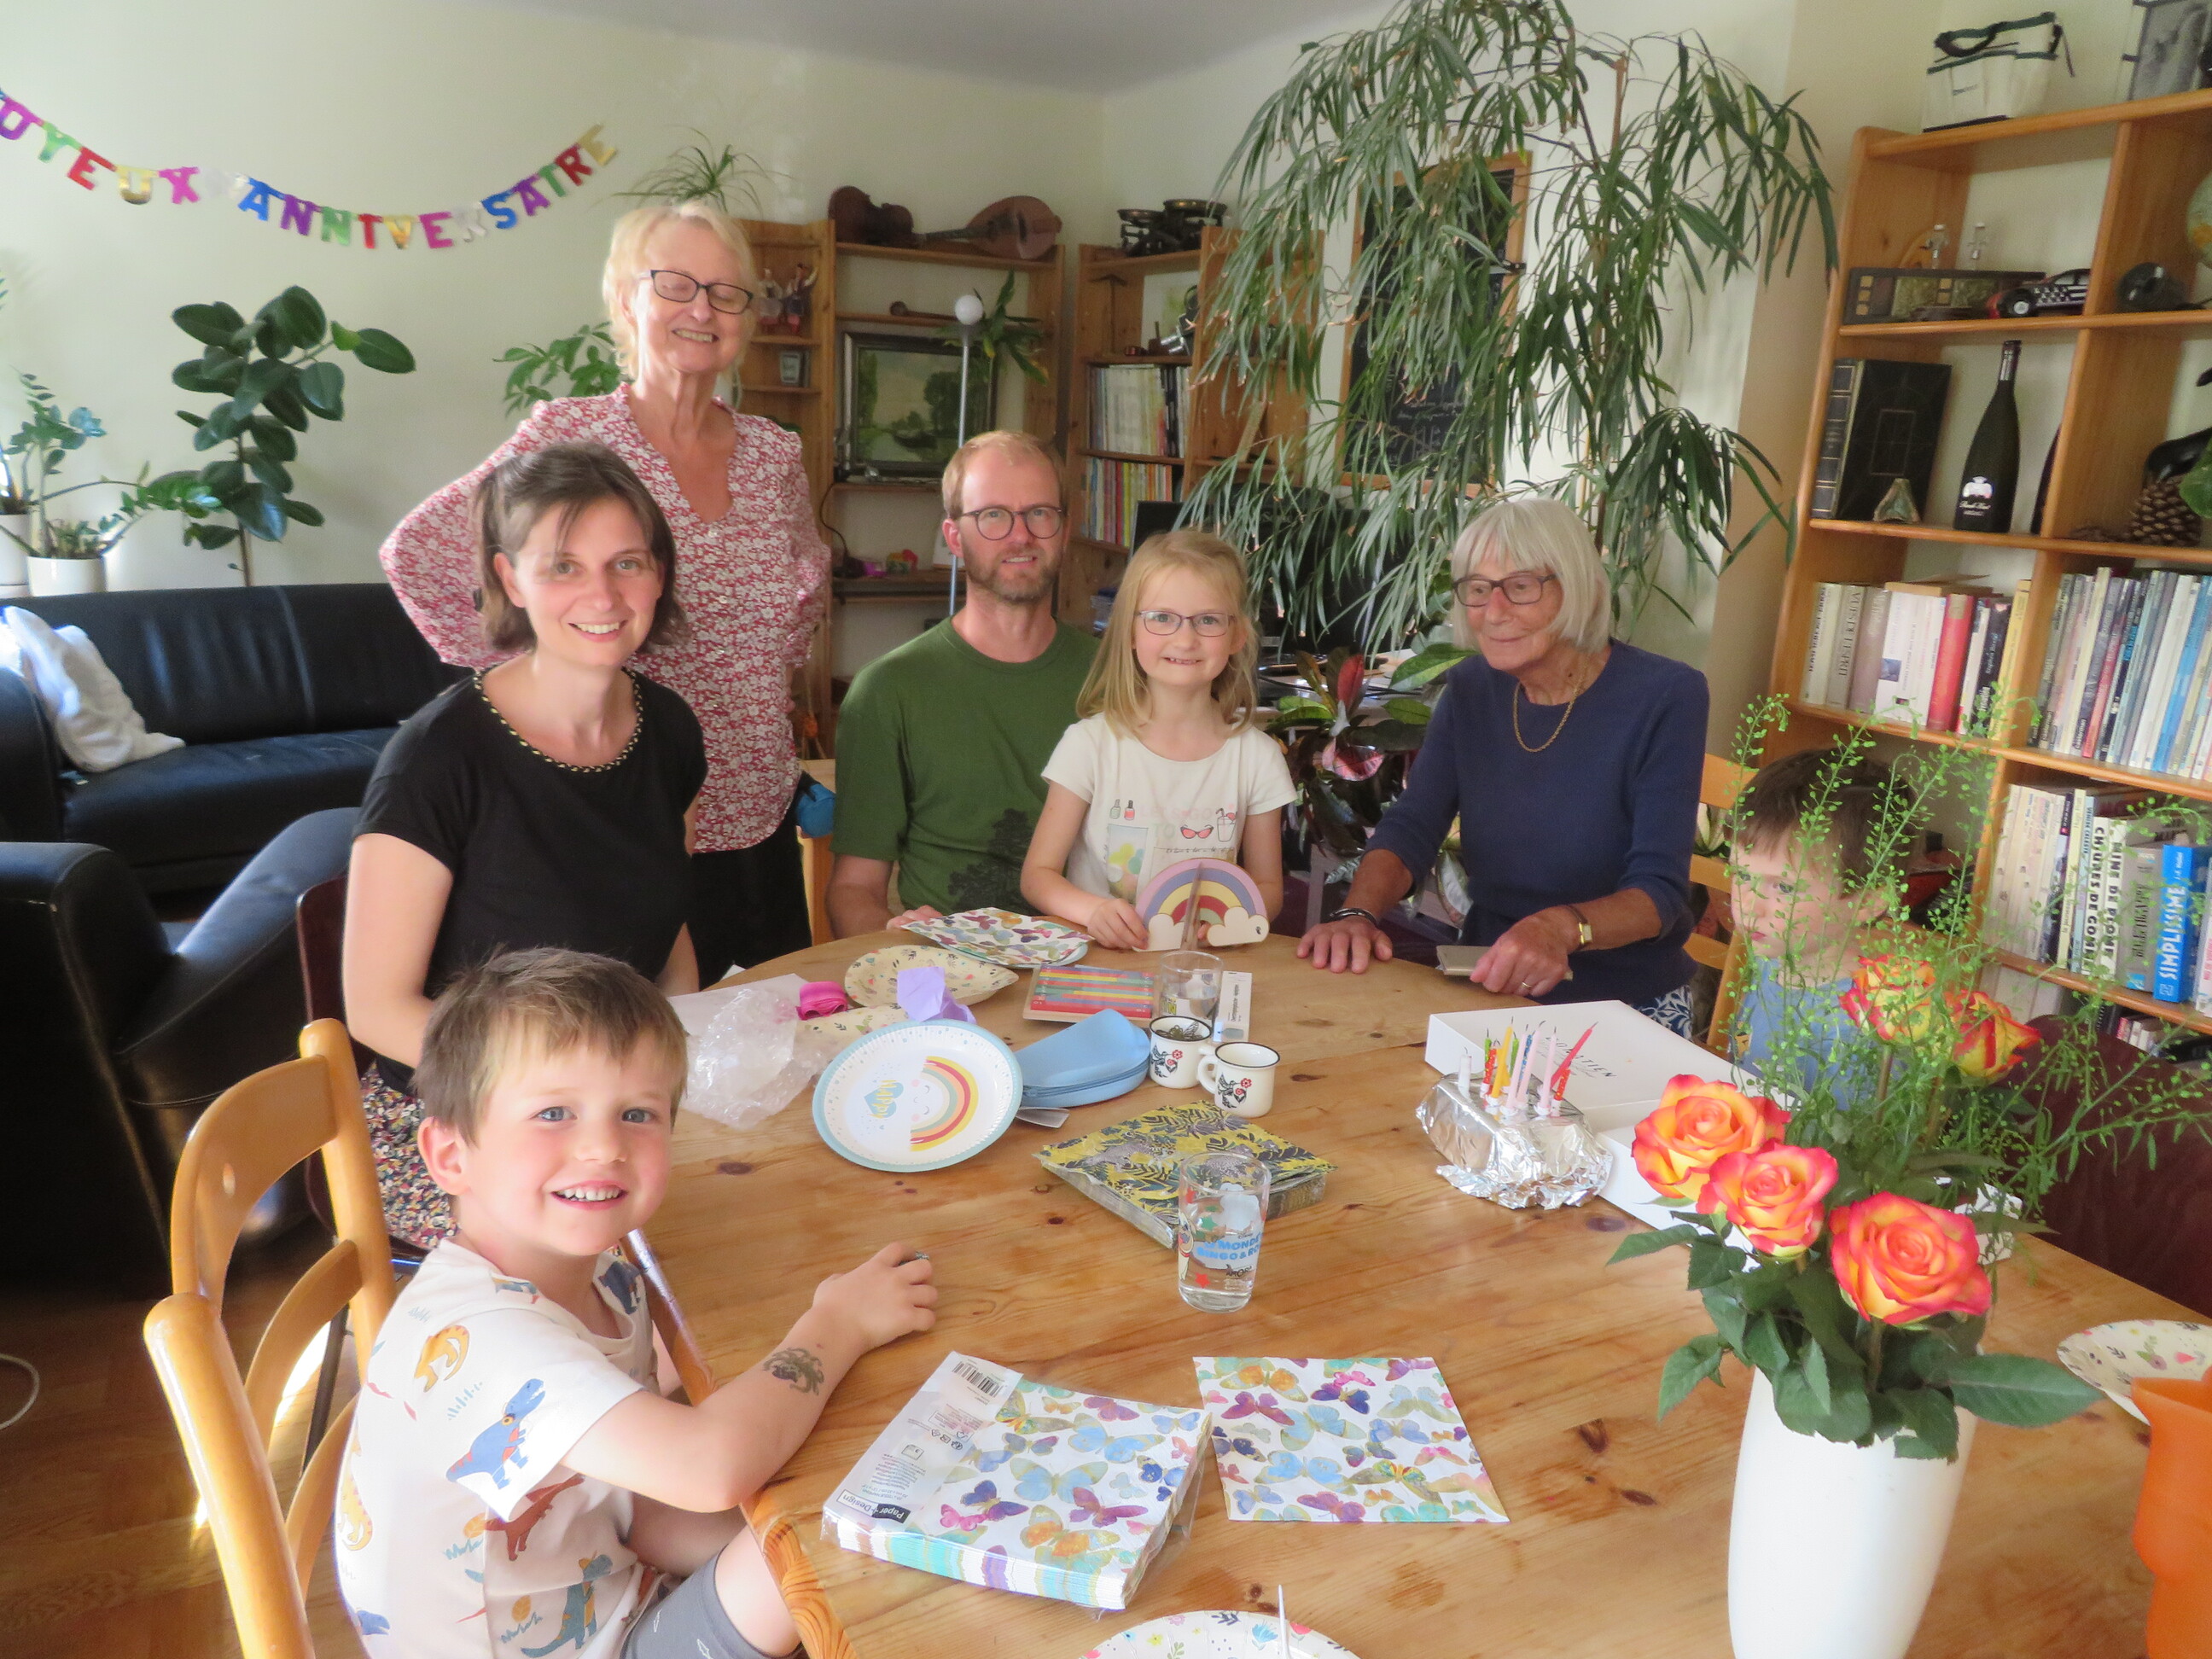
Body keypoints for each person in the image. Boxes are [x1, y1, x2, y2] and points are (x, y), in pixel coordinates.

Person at [335, 947, 937, 1659]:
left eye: (637, 1113)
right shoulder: (482, 1342)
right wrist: (837, 1324)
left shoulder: (605, 1277)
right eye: (553, 1112)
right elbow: (707, 1467)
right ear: (450, 1156)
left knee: (847, 1515)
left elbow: (639, 1505)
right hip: (584, 1637)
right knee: (835, 1537)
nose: (603, 1146)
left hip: (607, 1570)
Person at [382, 198, 827, 981]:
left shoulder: (773, 454)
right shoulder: (573, 436)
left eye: (727, 293)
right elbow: (418, 556)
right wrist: (533, 685)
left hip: (759, 809)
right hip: (621, 821)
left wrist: (769, 675)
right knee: (637, 1037)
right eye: (675, 284)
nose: (703, 309)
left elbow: (807, 583)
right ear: (625, 302)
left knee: (773, 1031)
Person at [346, 443, 706, 1249]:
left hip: (618, 1108)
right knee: (672, 1257)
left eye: (627, 563)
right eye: (563, 567)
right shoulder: (439, 757)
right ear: (510, 579)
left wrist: (663, 1077)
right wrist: (557, 1106)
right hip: (455, 1120)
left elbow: (667, 930)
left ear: (658, 574)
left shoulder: (671, 729)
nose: (603, 596)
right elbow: (375, 1008)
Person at [1297, 496, 1708, 1036]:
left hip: (1623, 1002)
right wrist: (1358, 913)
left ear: (1579, 588)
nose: (1493, 612)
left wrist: (1559, 929)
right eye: (1478, 588)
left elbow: (1660, 893)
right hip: (1488, 983)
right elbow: (1413, 825)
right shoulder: (1472, 688)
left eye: (1521, 586)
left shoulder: (1666, 695)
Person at [829, 430, 1096, 934]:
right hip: (951, 962)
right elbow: (853, 890)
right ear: (954, 538)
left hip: (1094, 958)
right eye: (993, 515)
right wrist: (900, 943)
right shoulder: (886, 691)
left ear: (1063, 530)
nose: (1021, 535)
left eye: (1040, 513)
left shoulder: (1117, 680)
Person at [1021, 529, 1293, 950]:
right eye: (1162, 618)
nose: (1185, 639)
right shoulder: (1089, 745)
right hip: (1102, 962)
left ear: (1237, 635)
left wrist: (1237, 921)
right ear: (1130, 632)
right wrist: (1093, 912)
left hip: (1201, 965)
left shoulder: (1258, 758)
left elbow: (1268, 886)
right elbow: (1038, 876)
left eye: (1208, 620)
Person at [1727, 747, 1901, 1090]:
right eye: (1742, 875)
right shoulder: (1770, 960)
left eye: (1784, 888)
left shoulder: (1867, 1022)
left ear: (1867, 901)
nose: (1749, 906)